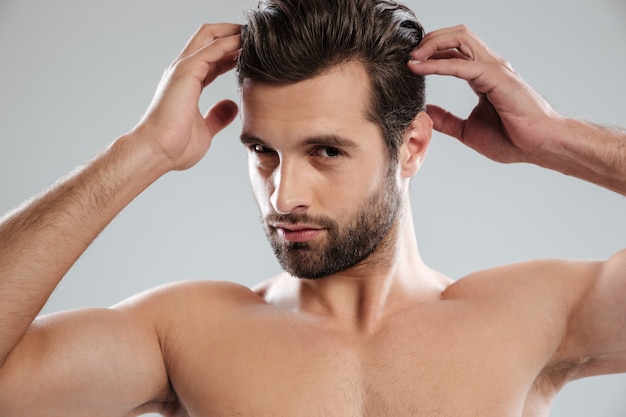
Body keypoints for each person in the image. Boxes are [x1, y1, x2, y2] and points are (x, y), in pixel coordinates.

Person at [0, 0, 624, 416]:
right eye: (263, 151)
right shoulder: (183, 332)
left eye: (325, 150)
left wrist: (558, 139)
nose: (283, 194)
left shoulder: (533, 315)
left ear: (410, 147)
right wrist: (139, 153)